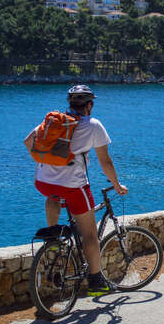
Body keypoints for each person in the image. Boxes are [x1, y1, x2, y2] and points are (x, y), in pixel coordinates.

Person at [24, 85, 128, 295]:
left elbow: (28, 142)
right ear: (89, 105)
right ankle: (96, 282)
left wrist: (46, 163)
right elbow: (105, 162)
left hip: (43, 180)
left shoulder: (54, 120)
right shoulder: (93, 125)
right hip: (73, 185)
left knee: (53, 195)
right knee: (89, 234)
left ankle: (53, 237)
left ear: (70, 104)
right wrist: (117, 185)